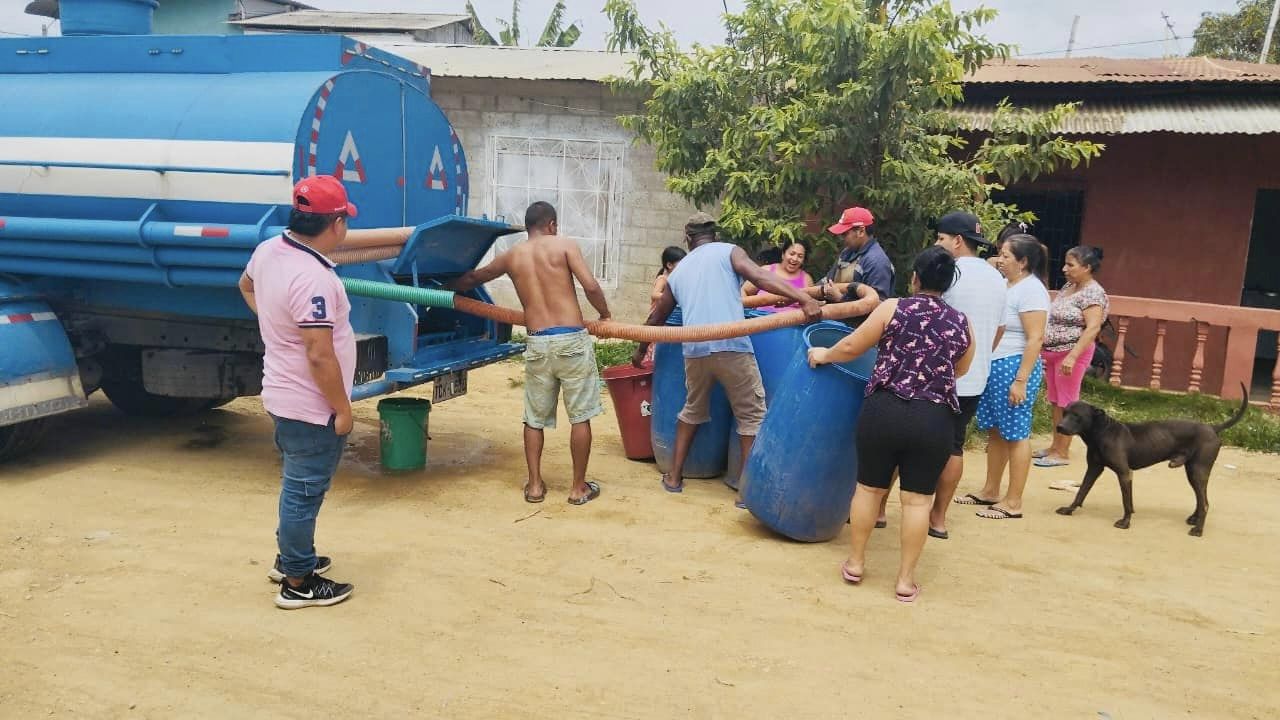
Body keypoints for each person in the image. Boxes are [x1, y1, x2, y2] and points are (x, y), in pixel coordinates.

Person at [809, 246, 975, 603]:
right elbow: (961, 369)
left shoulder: (893, 308)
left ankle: (856, 563)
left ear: (914, 277)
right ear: (948, 284)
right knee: (918, 502)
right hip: (934, 418)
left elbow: (852, 346)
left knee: (869, 490)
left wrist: (825, 354)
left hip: (884, 409)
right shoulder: (962, 322)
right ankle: (905, 581)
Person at [631, 213, 821, 501]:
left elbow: (657, 317)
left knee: (692, 408)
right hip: (732, 346)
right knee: (751, 415)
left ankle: (673, 476)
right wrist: (804, 298)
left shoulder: (679, 271)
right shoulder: (729, 251)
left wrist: (640, 350)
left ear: (687, 237)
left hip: (695, 350)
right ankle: (745, 492)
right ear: (715, 235)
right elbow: (760, 276)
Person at [239, 175, 358, 609]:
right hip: (310, 405)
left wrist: (275, 325)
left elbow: (245, 286)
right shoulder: (313, 278)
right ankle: (298, 581)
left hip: (282, 393)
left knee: (297, 485)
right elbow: (319, 355)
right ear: (336, 224)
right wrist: (342, 409)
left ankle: (291, 556)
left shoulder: (269, 250)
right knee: (304, 491)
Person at [452, 201, 611, 506]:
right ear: (551, 225)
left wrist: (440, 286)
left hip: (538, 341)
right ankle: (578, 488)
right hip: (571, 339)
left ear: (528, 227)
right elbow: (590, 286)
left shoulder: (512, 256)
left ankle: (535, 486)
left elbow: (473, 279)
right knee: (580, 416)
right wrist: (605, 315)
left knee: (534, 419)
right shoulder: (564, 245)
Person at [922, 211, 1007, 540]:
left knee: (910, 441)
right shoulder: (996, 278)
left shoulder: (948, 272)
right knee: (954, 446)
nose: (937, 243)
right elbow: (999, 329)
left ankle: (884, 509)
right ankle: (938, 518)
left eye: (941, 238)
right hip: (974, 378)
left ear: (957, 241)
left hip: (935, 377)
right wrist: (978, 356)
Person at [958, 234, 1050, 521]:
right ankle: (991, 490)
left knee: (1016, 433)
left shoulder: (1032, 290)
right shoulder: (1006, 285)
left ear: (1023, 262)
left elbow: (1035, 338)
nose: (1000, 260)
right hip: (996, 365)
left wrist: (1020, 380)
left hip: (1014, 366)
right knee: (996, 430)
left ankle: (1014, 501)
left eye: (1006, 256)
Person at [1035, 246, 1109, 470]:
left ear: (1087, 267)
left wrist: (1073, 356)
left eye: (1070, 265)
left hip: (1071, 353)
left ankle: (1062, 452)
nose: (1064, 269)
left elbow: (1093, 327)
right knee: (1056, 401)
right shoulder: (1069, 286)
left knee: (1068, 403)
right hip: (1053, 353)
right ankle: (1054, 446)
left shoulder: (1093, 293)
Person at [821, 207, 896, 308]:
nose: (841, 238)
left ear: (861, 231)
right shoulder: (847, 252)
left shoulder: (877, 262)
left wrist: (840, 298)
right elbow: (827, 280)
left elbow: (877, 306)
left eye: (845, 234)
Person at [742, 240, 815, 312]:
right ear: (783, 254)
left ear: (803, 260)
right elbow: (744, 290)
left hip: (792, 319)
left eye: (800, 256)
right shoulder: (766, 270)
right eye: (792, 254)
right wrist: (745, 312)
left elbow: (811, 306)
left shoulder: (806, 279)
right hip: (760, 317)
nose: (795, 259)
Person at [650, 245, 687, 314]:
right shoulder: (663, 279)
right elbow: (654, 294)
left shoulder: (674, 279)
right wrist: (672, 297)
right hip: (658, 316)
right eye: (681, 264)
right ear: (669, 265)